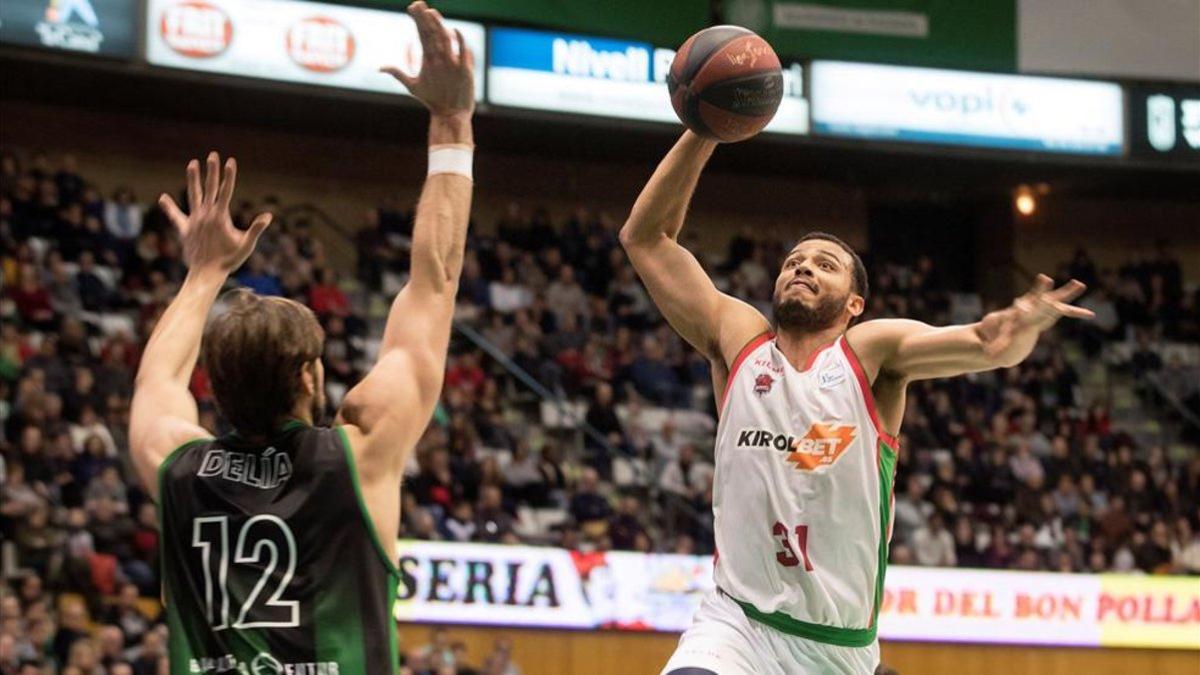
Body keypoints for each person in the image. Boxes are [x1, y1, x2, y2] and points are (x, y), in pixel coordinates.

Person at [620, 130, 1094, 675]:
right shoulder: (738, 341)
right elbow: (646, 238)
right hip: (737, 626)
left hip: (838, 649)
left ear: (854, 303)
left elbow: (990, 344)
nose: (802, 267)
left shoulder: (869, 354)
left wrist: (1020, 323)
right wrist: (705, 130)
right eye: (794, 261)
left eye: (824, 264)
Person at [126, 4, 475, 672]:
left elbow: (157, 383)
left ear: (217, 390)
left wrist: (202, 272)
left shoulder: (178, 468)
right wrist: (452, 124)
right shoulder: (359, 454)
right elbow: (434, 284)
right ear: (310, 376)